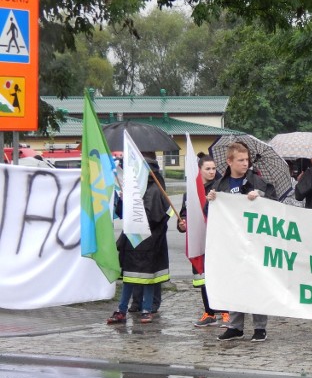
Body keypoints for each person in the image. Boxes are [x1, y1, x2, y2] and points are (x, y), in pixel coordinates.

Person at [206, 142, 277, 342]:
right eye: (241, 160)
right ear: (229, 161)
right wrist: (210, 200)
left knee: (257, 282)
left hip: (255, 242)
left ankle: (259, 327)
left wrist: (260, 196)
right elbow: (211, 215)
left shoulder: (256, 181)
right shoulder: (220, 185)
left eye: (247, 160)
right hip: (231, 244)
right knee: (234, 282)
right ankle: (235, 326)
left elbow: (273, 202)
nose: (245, 164)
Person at [107, 152, 171, 325]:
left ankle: (147, 309)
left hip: (150, 242)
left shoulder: (156, 190)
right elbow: (122, 214)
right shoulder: (133, 190)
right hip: (131, 241)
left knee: (148, 278)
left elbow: (156, 217)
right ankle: (121, 310)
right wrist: (122, 200)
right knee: (129, 278)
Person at [177, 154, 229, 327]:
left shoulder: (220, 188)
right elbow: (184, 213)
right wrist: (182, 223)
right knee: (202, 278)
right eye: (208, 169)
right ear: (199, 170)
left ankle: (226, 312)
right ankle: (209, 313)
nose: (212, 171)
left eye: (214, 168)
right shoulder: (190, 191)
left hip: (217, 240)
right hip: (199, 240)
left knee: (220, 276)